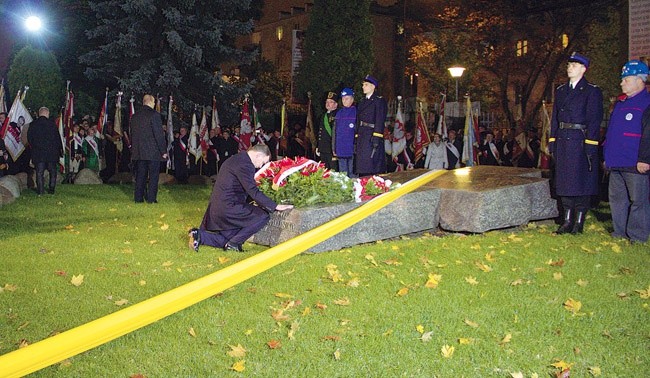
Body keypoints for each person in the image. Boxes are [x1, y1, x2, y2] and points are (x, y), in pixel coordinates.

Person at [189, 144, 293, 252]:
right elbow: (252, 190)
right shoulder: (245, 165)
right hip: (228, 208)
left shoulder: (236, 159)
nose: (260, 166)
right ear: (258, 155)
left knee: (227, 240)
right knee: (263, 216)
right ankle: (234, 244)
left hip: (218, 207)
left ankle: (199, 236)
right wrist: (275, 206)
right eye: (263, 162)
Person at [549, 52, 604, 234]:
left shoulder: (591, 91)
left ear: (583, 69)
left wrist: (590, 143)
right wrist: (552, 139)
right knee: (564, 182)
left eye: (574, 65)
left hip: (580, 140)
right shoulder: (561, 90)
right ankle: (566, 220)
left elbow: (595, 120)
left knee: (581, 182)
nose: (569, 68)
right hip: (564, 140)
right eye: (569, 65)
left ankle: (579, 221)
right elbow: (555, 119)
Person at [603, 59, 650, 243]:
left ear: (640, 80)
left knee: (638, 201)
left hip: (635, 162)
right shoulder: (620, 104)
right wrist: (607, 156)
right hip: (616, 161)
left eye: (626, 79)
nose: (622, 82)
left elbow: (648, 134)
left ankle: (637, 236)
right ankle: (619, 233)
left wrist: (645, 159)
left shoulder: (647, 103)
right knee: (617, 200)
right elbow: (612, 133)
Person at [130, 94, 167, 203]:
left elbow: (133, 134)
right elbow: (158, 134)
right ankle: (151, 199)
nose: (155, 104)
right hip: (152, 152)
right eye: (154, 102)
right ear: (150, 102)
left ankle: (138, 198)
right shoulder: (154, 115)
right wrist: (163, 151)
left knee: (140, 176)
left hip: (139, 152)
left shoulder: (135, 116)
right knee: (153, 176)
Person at [356, 75, 387, 176]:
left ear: (373, 86)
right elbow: (358, 119)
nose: (363, 87)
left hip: (371, 134)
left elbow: (379, 119)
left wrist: (377, 137)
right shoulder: (362, 101)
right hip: (362, 134)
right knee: (362, 166)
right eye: (363, 85)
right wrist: (356, 135)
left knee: (371, 165)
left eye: (366, 85)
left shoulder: (378, 101)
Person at [27, 107, 62, 195]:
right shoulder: (52, 124)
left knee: (39, 172)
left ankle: (40, 191)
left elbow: (30, 139)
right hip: (51, 153)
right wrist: (59, 150)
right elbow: (57, 138)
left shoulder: (33, 124)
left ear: (39, 114)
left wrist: (35, 147)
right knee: (52, 171)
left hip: (38, 152)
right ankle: (51, 189)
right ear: (47, 113)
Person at [333, 88, 357, 177]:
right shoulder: (339, 113)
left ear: (352, 99)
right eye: (343, 99)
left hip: (352, 150)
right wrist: (334, 148)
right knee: (343, 175)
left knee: (352, 174)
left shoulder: (356, 112)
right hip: (341, 149)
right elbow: (335, 132)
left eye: (347, 98)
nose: (344, 101)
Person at [316, 91, 338, 170]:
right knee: (324, 170)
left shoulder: (337, 115)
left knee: (333, 171)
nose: (328, 104)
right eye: (327, 102)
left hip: (331, 149)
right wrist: (318, 146)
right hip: (323, 148)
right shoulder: (323, 116)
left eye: (331, 102)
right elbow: (320, 133)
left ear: (336, 104)